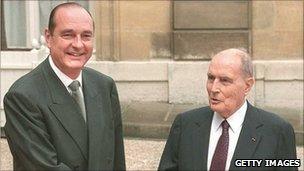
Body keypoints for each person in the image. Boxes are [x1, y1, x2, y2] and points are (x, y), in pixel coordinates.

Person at [4, 2, 125, 170]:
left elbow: (116, 158)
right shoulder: (22, 96)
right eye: (68, 35)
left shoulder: (104, 86)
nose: (78, 44)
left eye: (86, 36)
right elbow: (44, 167)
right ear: (48, 37)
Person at [158, 48, 297, 171]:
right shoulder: (185, 124)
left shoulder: (277, 131)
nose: (213, 89)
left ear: (247, 85)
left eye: (225, 80)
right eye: (211, 78)